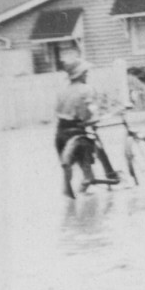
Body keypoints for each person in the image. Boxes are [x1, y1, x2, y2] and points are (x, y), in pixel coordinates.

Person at [55, 57, 100, 198]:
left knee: (67, 172)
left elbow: (58, 111)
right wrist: (94, 119)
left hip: (60, 133)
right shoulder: (86, 89)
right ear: (80, 74)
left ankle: (69, 199)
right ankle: (86, 187)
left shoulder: (62, 91)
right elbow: (87, 114)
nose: (87, 75)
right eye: (85, 72)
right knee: (87, 171)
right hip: (77, 131)